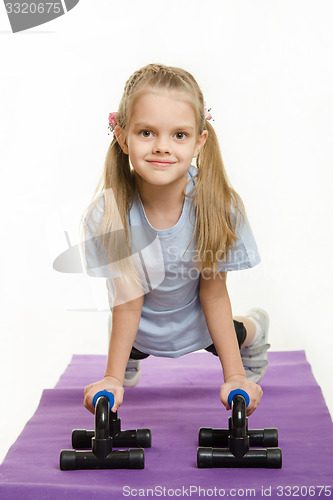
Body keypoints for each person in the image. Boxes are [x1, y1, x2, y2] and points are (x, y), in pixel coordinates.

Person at [82, 63, 270, 418]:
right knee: (127, 337)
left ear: (199, 141)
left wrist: (235, 376)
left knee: (233, 332)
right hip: (140, 323)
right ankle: (128, 361)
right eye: (147, 133)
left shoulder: (217, 206)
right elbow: (128, 300)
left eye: (179, 135)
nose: (162, 147)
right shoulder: (108, 215)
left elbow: (212, 294)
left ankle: (256, 328)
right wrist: (112, 377)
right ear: (122, 137)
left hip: (198, 321)